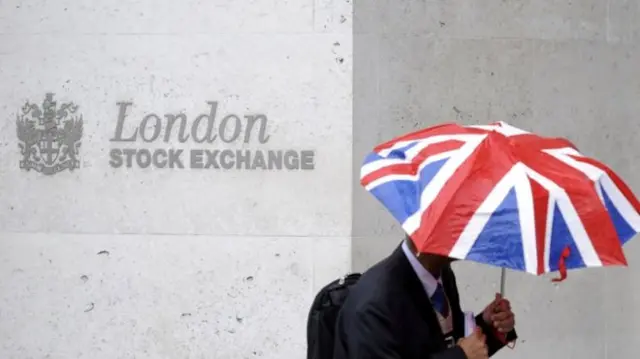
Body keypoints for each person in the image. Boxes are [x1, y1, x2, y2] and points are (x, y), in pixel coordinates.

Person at [333, 236, 517, 359]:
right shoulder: (374, 304)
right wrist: (461, 356)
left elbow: (448, 341)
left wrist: (488, 326)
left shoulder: (441, 272)